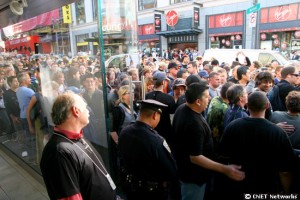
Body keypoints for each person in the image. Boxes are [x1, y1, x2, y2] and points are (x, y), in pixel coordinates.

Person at [215, 91, 296, 199]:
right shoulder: (278, 132)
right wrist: (287, 193)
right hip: (266, 187)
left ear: (247, 106)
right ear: (267, 106)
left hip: (238, 185)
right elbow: (285, 171)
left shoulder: (233, 126)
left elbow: (222, 155)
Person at [172, 82, 245, 200]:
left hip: (185, 171)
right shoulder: (193, 124)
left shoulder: (182, 108)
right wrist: (225, 169)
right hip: (193, 178)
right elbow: (195, 157)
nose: (210, 98)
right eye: (206, 96)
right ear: (198, 101)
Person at [40, 92, 116, 200]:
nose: (88, 110)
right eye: (85, 107)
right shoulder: (58, 152)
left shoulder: (77, 137)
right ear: (76, 111)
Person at [119, 99, 177, 200]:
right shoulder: (156, 140)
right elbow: (171, 171)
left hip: (130, 188)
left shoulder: (125, 131)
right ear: (155, 115)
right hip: (151, 193)